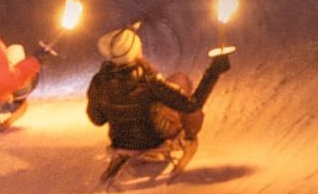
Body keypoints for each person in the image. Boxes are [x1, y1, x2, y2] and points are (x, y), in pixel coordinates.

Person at [85, 25, 230, 160]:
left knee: (175, 82)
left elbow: (97, 120)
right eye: (139, 46)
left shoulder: (99, 81)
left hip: (121, 141)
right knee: (185, 92)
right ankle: (189, 136)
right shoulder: (148, 81)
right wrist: (214, 71)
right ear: (134, 52)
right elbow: (192, 104)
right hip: (154, 138)